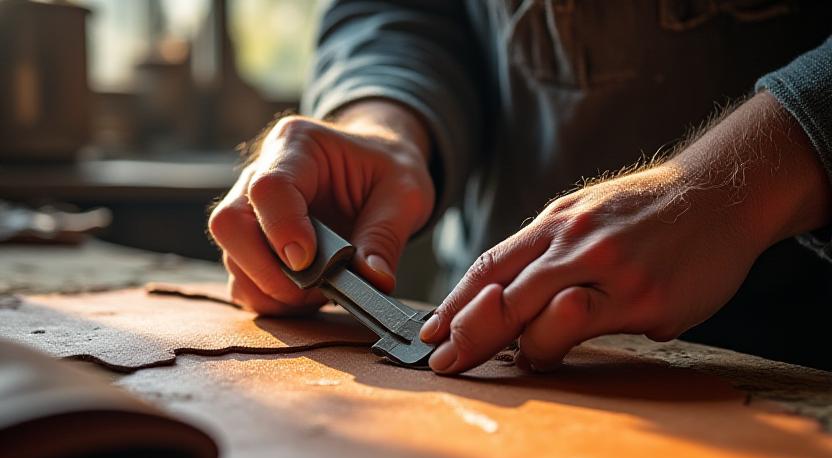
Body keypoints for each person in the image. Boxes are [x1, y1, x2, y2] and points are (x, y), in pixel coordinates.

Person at [209, 1, 832, 374]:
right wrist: (382, 123)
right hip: (488, 349)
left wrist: (731, 189)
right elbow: (405, 13)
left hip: (803, 360)